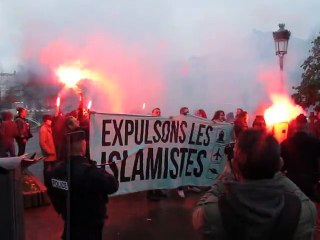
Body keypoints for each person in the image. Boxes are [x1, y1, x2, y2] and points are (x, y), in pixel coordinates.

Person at [193, 129, 316, 239]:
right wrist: (275, 168)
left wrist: (226, 174)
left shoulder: (213, 213)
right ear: (279, 164)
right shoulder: (303, 212)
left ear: (236, 164)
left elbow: (200, 209)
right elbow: (301, 196)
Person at [45, 130, 119, 240]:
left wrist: (62, 210)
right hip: (90, 227)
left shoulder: (55, 171)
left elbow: (52, 193)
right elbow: (113, 186)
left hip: (70, 224)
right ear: (82, 145)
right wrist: (112, 171)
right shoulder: (89, 172)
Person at [281, 114, 320, 201]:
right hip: (310, 184)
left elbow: (280, 164)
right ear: (306, 125)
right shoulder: (316, 142)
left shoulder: (285, 143)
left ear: (295, 126)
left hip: (291, 184)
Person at [147, 107, 167, 201]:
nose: (158, 113)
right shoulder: (148, 122)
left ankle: (158, 190)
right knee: (151, 172)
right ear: (152, 113)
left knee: (159, 171)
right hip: (150, 150)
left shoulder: (162, 123)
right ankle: (150, 192)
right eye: (156, 112)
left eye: (159, 112)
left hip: (159, 150)